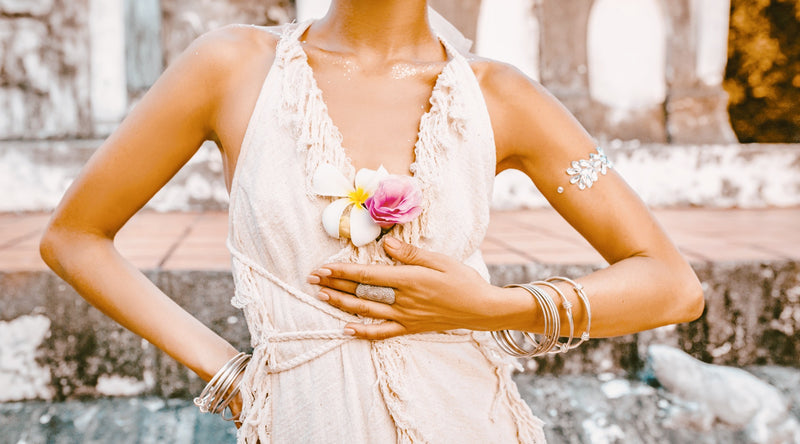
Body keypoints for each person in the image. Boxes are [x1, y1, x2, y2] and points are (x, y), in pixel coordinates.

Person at [39, 1, 705, 442]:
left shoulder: (502, 97)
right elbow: (74, 237)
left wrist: (491, 308)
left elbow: (673, 286)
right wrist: (235, 379)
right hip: (303, 419)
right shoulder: (233, 68)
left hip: (468, 418)